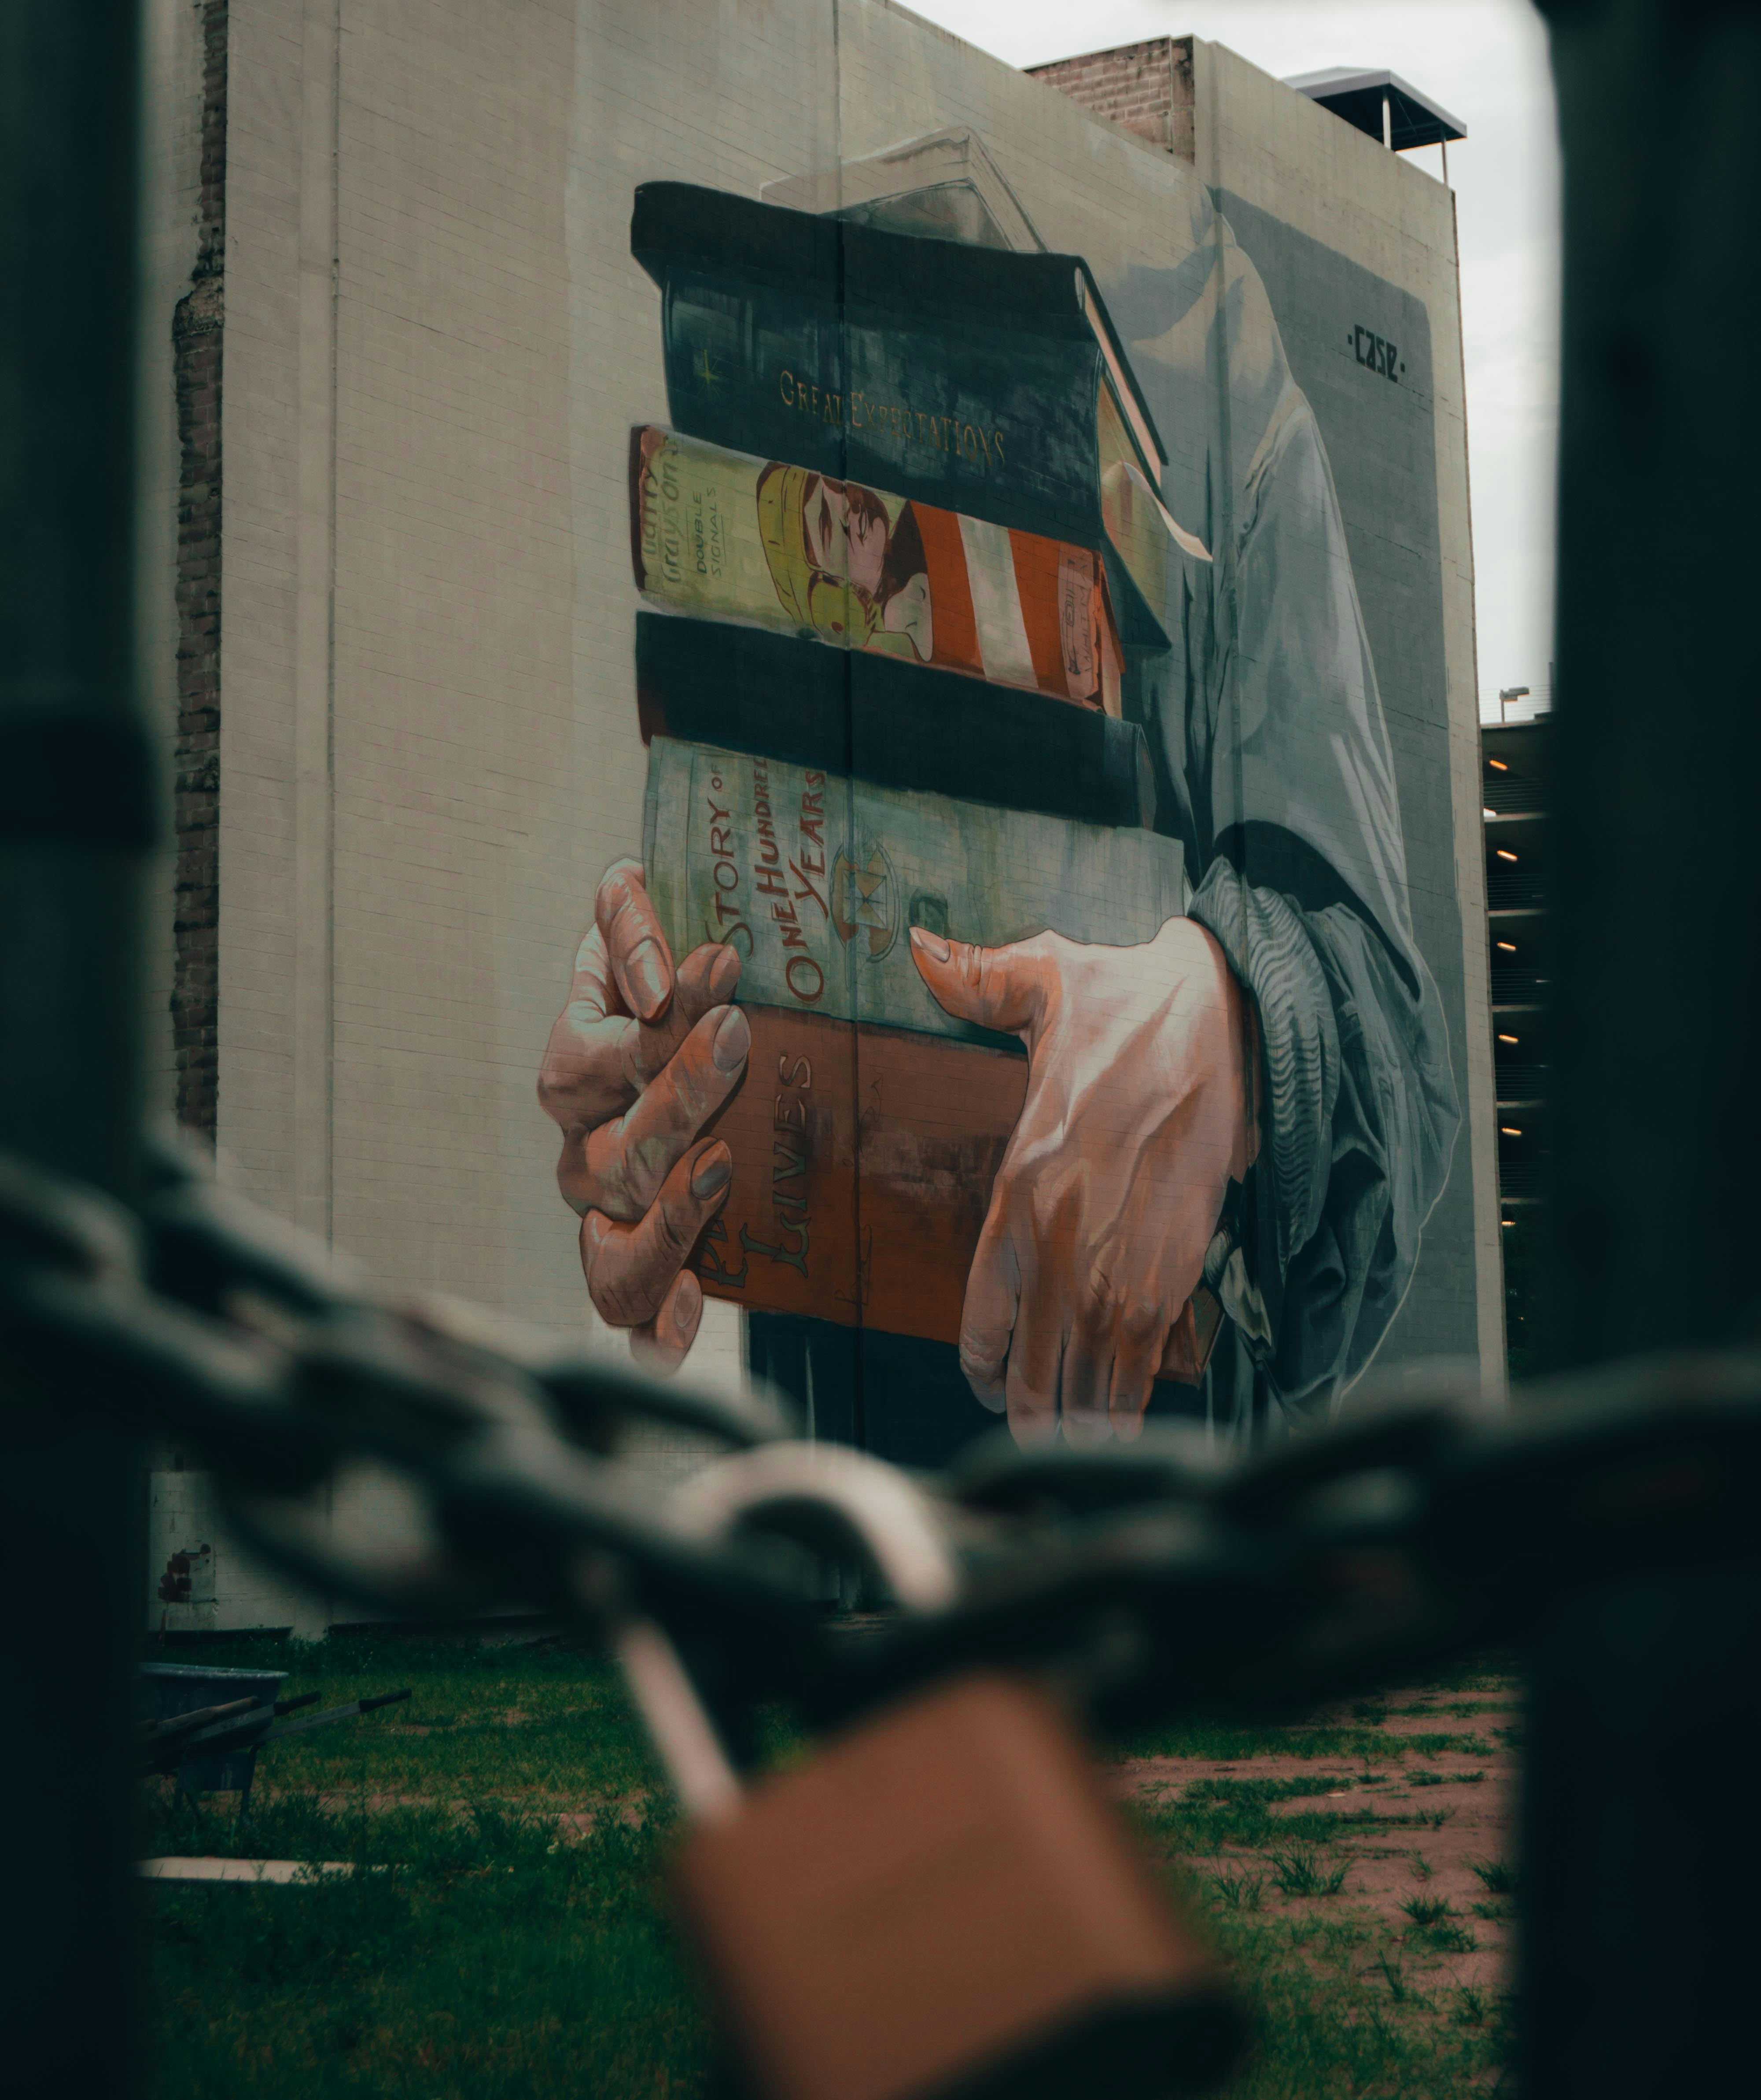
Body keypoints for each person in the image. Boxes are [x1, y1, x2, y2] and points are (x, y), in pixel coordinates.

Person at [539, 191, 1460, 1446]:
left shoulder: (1214, 368)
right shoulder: (795, 270)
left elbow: (1402, 1079)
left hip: (1164, 1495)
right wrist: (644, 1031)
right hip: (837, 1493)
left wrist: (1231, 1013)